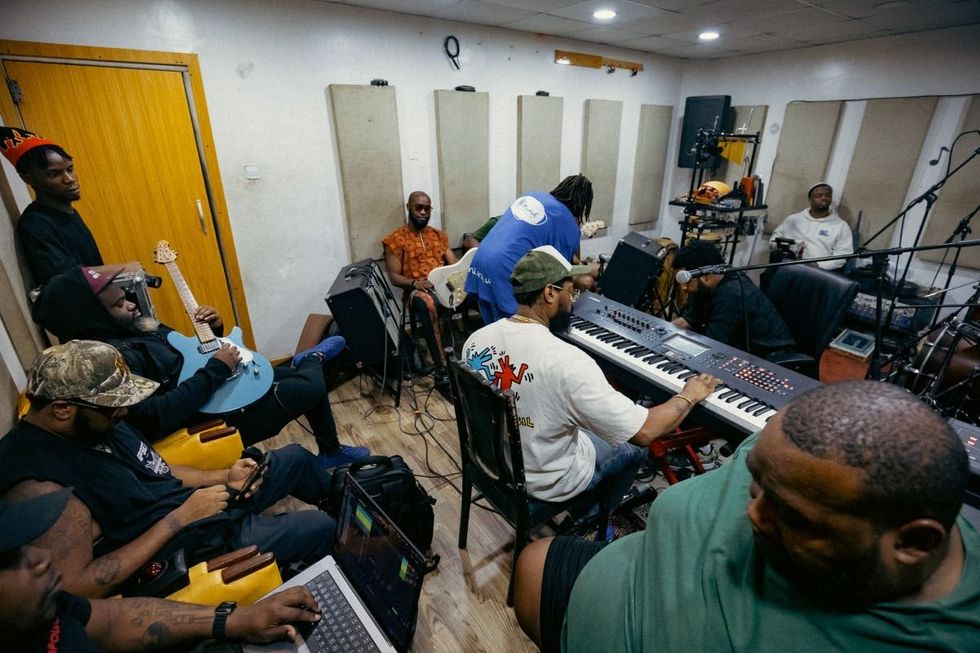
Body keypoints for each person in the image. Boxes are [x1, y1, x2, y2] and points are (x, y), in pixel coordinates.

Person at [513, 381, 979, 652]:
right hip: (619, 580)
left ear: (914, 544)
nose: (752, 515)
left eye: (790, 515)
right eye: (755, 484)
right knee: (534, 561)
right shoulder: (793, 459)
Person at [0, 340, 340, 598]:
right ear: (61, 409)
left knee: (294, 458)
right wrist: (179, 519)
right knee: (319, 527)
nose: (123, 413)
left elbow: (156, 469)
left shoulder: (94, 423)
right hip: (189, 547)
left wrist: (223, 476)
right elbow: (80, 587)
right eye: (113, 408)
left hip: (199, 508)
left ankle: (356, 513)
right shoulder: (41, 487)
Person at [462, 246, 719, 522]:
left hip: (494, 462)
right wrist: (689, 395)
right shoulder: (569, 363)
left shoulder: (475, 341)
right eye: (569, 291)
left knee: (583, 415)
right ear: (549, 293)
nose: (572, 301)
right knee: (634, 448)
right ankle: (591, 518)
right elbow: (645, 431)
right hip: (546, 481)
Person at [31, 264, 367, 466]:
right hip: (211, 411)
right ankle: (311, 356)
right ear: (90, 317)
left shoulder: (136, 328)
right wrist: (217, 369)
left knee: (298, 379)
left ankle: (330, 451)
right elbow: (154, 418)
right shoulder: (109, 362)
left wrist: (215, 331)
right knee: (309, 384)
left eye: (127, 297)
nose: (132, 305)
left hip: (217, 384)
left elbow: (187, 353)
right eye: (119, 304)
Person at [0, 488, 323, 652]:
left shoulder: (44, 611)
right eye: (9, 560)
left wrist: (233, 619)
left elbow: (114, 621)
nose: (42, 557)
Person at [465, 175, 598, 325]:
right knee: (513, 330)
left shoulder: (532, 196)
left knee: (494, 331)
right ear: (583, 206)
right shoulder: (567, 222)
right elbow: (560, 272)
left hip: (479, 261)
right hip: (504, 270)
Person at [1, 126, 104, 285]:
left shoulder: (69, 212)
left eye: (70, 169)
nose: (69, 179)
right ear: (29, 179)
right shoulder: (35, 223)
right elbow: (65, 280)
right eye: (54, 174)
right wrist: (122, 269)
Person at [672, 239, 795, 360]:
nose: (683, 287)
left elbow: (713, 346)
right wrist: (658, 332)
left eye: (686, 281)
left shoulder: (731, 294)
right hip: (735, 346)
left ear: (706, 277)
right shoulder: (704, 286)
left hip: (767, 358)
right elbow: (689, 320)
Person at [382, 191, 457, 388]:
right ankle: (442, 369)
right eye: (418, 207)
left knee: (480, 291)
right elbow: (394, 277)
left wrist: (458, 277)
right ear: (409, 207)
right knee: (428, 304)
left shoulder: (438, 236)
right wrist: (416, 284)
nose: (423, 212)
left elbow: (454, 263)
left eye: (427, 208)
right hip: (416, 290)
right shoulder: (395, 239)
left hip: (443, 286)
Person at [771, 182, 853, 270]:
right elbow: (774, 240)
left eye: (828, 195)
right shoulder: (793, 219)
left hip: (817, 272)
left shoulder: (841, 226)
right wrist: (784, 248)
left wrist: (819, 265)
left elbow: (843, 255)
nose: (824, 198)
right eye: (819, 196)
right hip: (786, 266)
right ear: (810, 199)